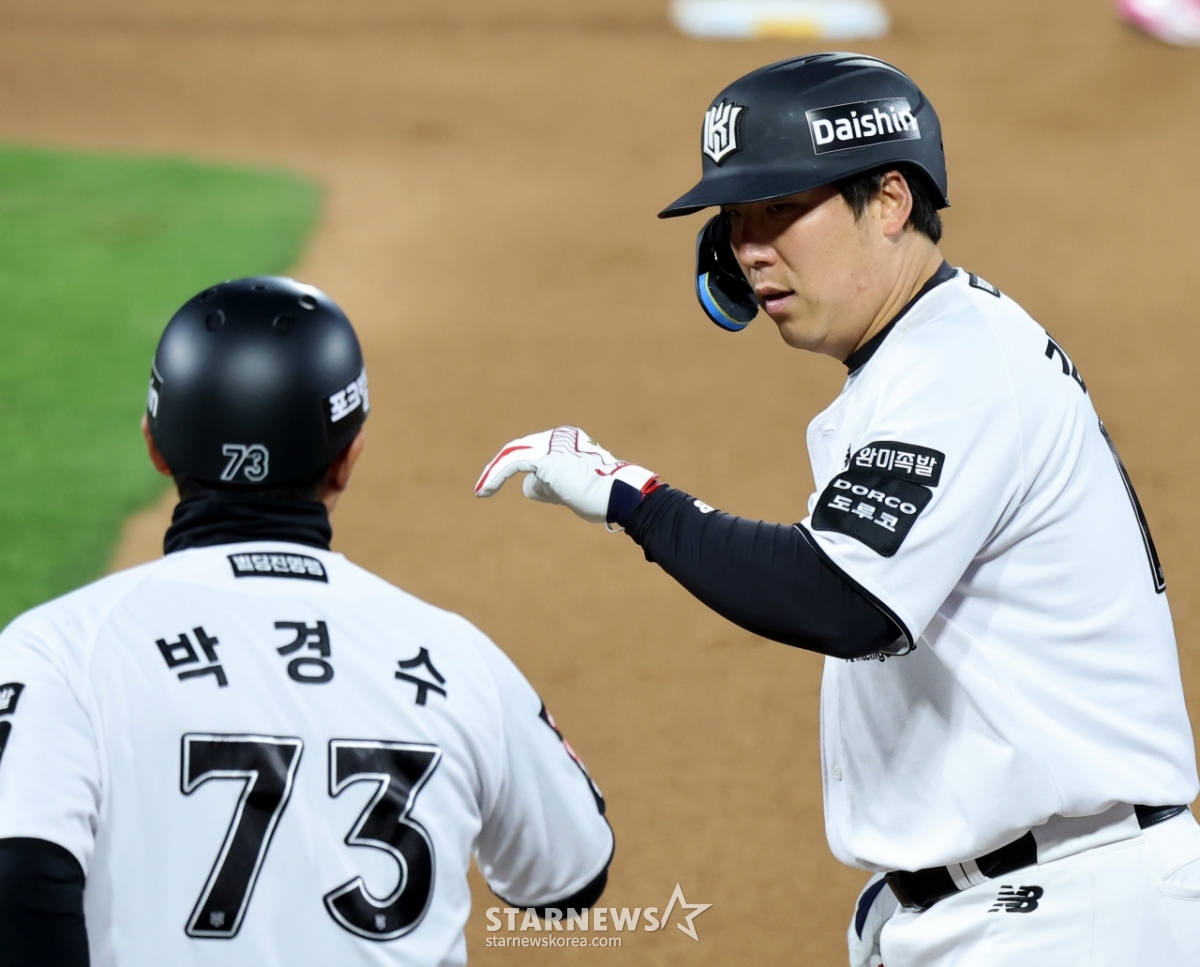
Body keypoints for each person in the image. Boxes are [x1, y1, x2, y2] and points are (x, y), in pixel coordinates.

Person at [475, 53, 1200, 966]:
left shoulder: (957, 365)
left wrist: (639, 500)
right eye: (736, 220)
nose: (750, 250)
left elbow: (843, 598)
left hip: (1072, 917)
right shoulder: (921, 356)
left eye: (780, 209)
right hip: (1015, 899)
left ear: (890, 201)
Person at [0, 277, 613, 967]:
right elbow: (569, 879)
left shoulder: (59, 650)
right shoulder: (457, 658)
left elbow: (19, 876)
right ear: (347, 459)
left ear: (155, 446)